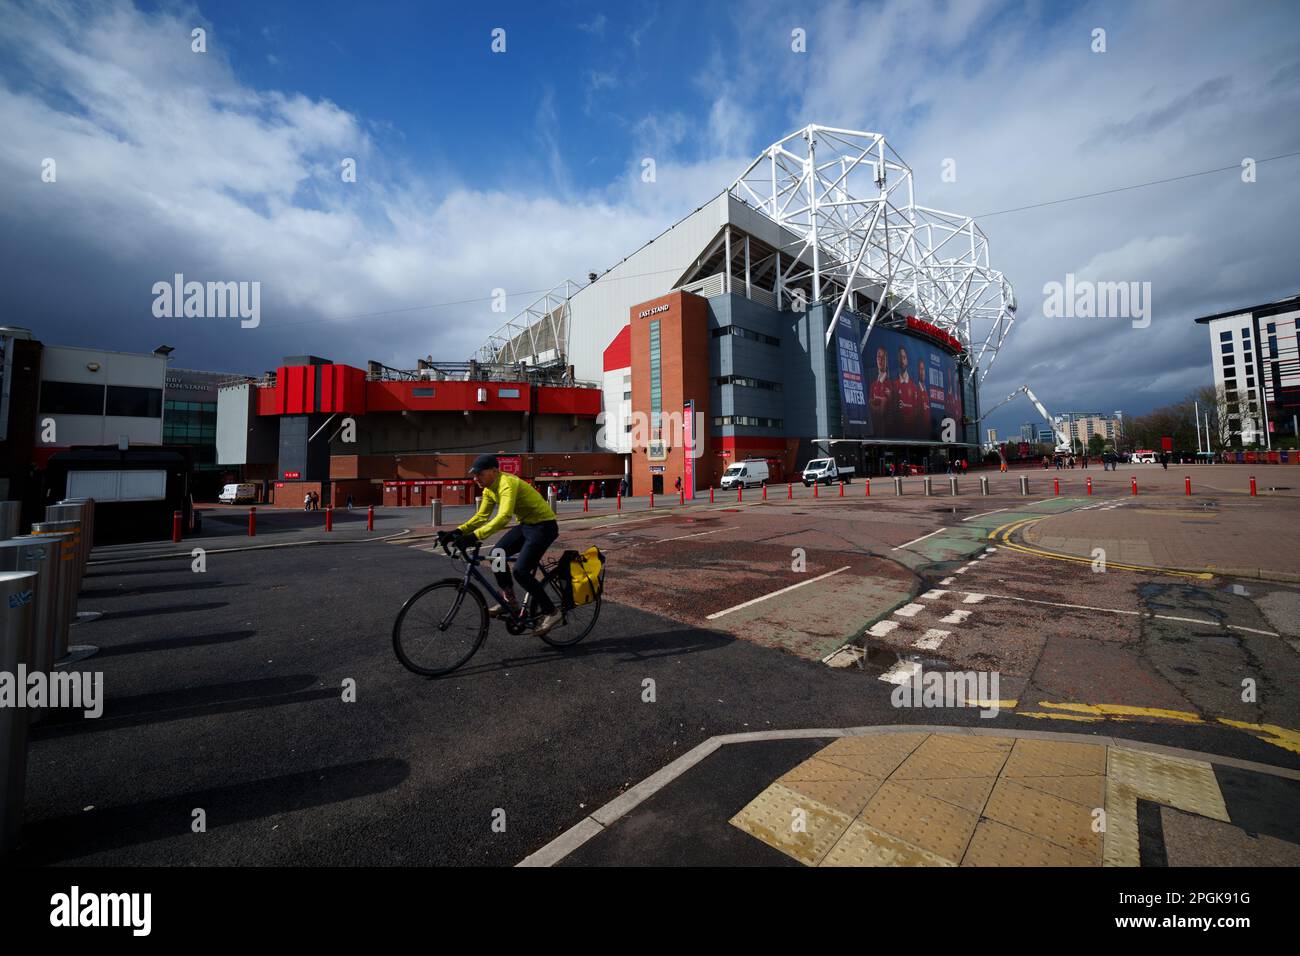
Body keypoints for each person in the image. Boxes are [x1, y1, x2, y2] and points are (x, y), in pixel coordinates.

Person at [439, 455, 562, 636]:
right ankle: (510, 600)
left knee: (520, 571)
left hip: (544, 526)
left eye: (479, 474)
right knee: (497, 554)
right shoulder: (489, 489)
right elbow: (481, 517)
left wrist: (473, 537)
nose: (475, 479)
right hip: (527, 525)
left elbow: (504, 517)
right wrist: (457, 532)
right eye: (474, 475)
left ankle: (552, 612)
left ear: (494, 471)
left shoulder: (507, 483)